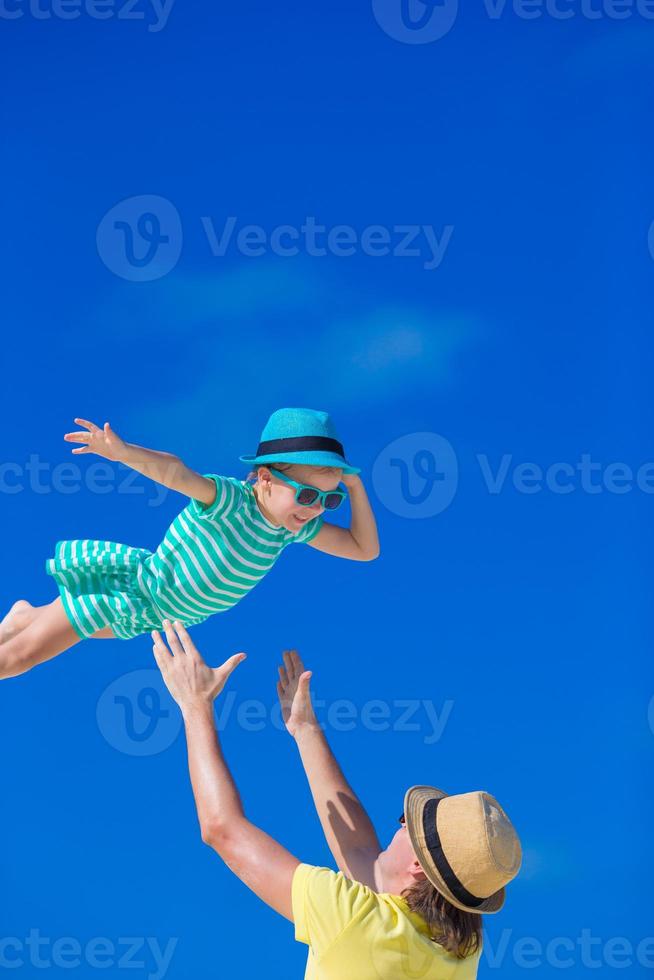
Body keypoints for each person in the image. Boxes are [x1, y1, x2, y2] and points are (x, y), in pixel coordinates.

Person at [151, 622, 523, 979]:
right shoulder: (459, 952)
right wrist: (304, 729)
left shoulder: (350, 921)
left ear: (418, 869)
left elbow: (222, 828)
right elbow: (361, 853)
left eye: (407, 825)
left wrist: (195, 704)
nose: (400, 825)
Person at [0, 407, 378, 680]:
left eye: (330, 500)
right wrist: (123, 453)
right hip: (130, 593)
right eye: (308, 495)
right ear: (264, 478)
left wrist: (356, 488)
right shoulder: (230, 501)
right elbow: (178, 472)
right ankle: (25, 622)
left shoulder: (290, 530)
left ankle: (24, 616)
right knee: (20, 658)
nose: (316, 509)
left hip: (152, 617)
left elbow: (364, 549)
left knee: (31, 637)